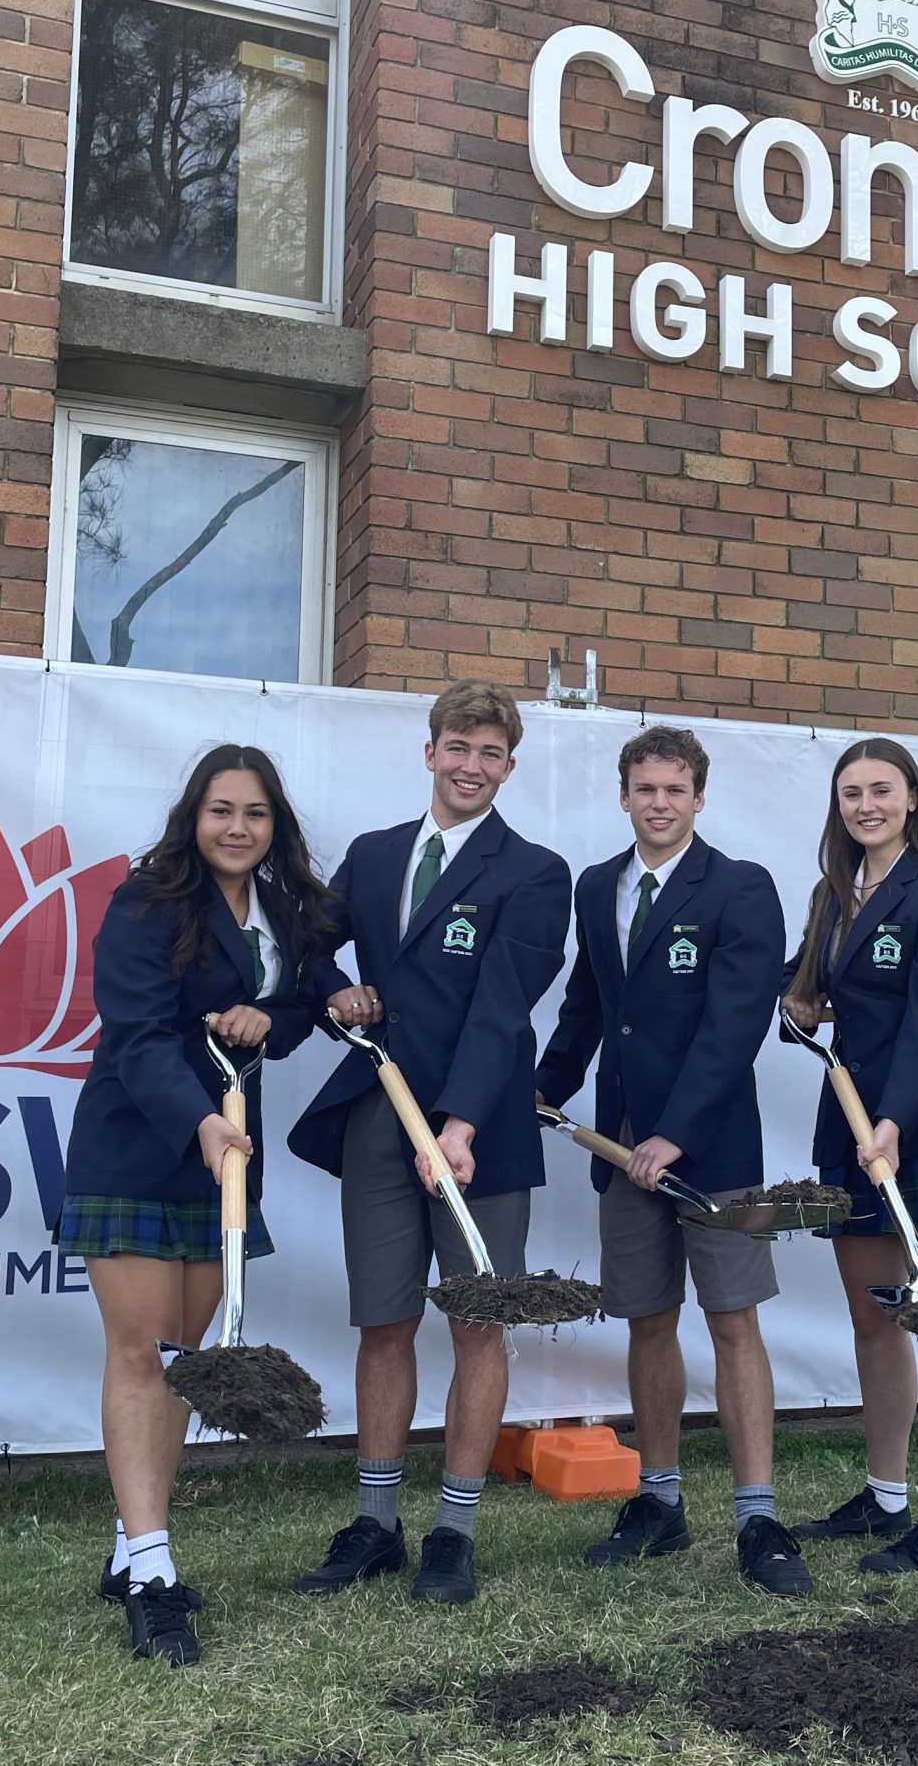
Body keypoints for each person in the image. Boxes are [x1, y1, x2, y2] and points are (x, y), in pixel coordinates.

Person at [286, 679, 573, 1606]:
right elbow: (306, 942)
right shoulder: (373, 856)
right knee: (384, 1321)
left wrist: (460, 1124)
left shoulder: (534, 872)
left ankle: (454, 1531)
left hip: (477, 1127)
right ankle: (375, 1525)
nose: (471, 766)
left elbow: (502, 1009)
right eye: (459, 747)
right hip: (381, 1113)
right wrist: (334, 989)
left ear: (509, 768)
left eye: (490, 754)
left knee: (479, 1322)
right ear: (430, 752)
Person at [58, 744, 334, 1666]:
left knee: (184, 1362)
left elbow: (302, 1003)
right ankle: (153, 1577)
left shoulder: (284, 910)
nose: (237, 828)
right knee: (143, 1356)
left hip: (226, 1154)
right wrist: (201, 1124)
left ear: (274, 825)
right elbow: (136, 1036)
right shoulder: (146, 902)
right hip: (141, 1147)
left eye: (255, 813)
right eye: (222, 810)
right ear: (194, 816)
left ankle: (130, 1549)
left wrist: (270, 1020)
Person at [535, 725, 811, 1596]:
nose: (659, 803)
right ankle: (659, 1503)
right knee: (647, 1320)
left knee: (732, 1321)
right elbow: (588, 1005)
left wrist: (677, 1133)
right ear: (624, 796)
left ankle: (758, 1518)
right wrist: (541, 1088)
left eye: (674, 790)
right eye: (645, 789)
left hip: (712, 1149)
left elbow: (736, 1024)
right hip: (623, 1146)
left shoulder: (739, 887)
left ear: (699, 798)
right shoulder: (597, 886)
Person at [780, 737, 918, 1574]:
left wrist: (896, 1120)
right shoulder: (831, 895)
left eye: (881, 790)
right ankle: (885, 1496)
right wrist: (797, 1001)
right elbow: (806, 992)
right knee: (874, 1317)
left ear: (911, 799)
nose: (866, 806)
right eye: (851, 794)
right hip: (852, 1126)